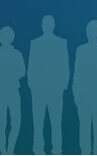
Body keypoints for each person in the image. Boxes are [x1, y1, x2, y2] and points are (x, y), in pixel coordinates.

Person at [28, 15, 69, 155]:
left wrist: (63, 85)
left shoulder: (61, 43)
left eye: (49, 23)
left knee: (55, 121)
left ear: (52, 25)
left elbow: (65, 66)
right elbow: (31, 66)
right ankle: (39, 149)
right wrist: (32, 84)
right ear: (42, 26)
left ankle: (57, 149)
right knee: (38, 122)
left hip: (55, 89)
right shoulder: (35, 43)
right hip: (39, 89)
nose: (47, 26)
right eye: (45, 23)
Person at [72, 20, 97, 155]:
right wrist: (76, 94)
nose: (94, 34)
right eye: (92, 31)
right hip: (84, 97)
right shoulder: (81, 50)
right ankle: (85, 151)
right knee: (85, 127)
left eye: (96, 31)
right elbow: (77, 74)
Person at [0, 26, 26, 155]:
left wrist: (9, 75)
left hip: (13, 90)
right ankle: (3, 151)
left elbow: (22, 71)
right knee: (2, 122)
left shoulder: (17, 54)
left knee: (16, 122)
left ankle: (9, 151)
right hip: (2, 90)